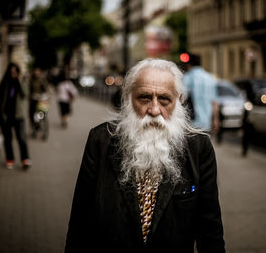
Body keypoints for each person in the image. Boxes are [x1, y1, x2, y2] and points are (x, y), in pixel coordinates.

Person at [65, 58, 225, 252]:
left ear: (180, 100)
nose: (154, 110)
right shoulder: (101, 140)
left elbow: (210, 230)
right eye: (144, 98)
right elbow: (80, 223)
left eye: (164, 99)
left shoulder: (198, 147)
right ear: (128, 98)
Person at [0, 63, 31, 169]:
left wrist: (20, 80)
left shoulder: (21, 82)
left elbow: (25, 93)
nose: (13, 74)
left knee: (21, 138)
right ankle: (9, 159)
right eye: (12, 72)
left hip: (18, 116)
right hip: (6, 116)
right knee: (7, 139)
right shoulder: (4, 82)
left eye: (15, 72)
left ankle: (25, 159)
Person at [183, 53, 220, 135]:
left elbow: (182, 99)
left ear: (189, 64)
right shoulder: (210, 78)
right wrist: (216, 120)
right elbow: (214, 102)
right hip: (207, 123)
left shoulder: (187, 77)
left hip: (191, 123)